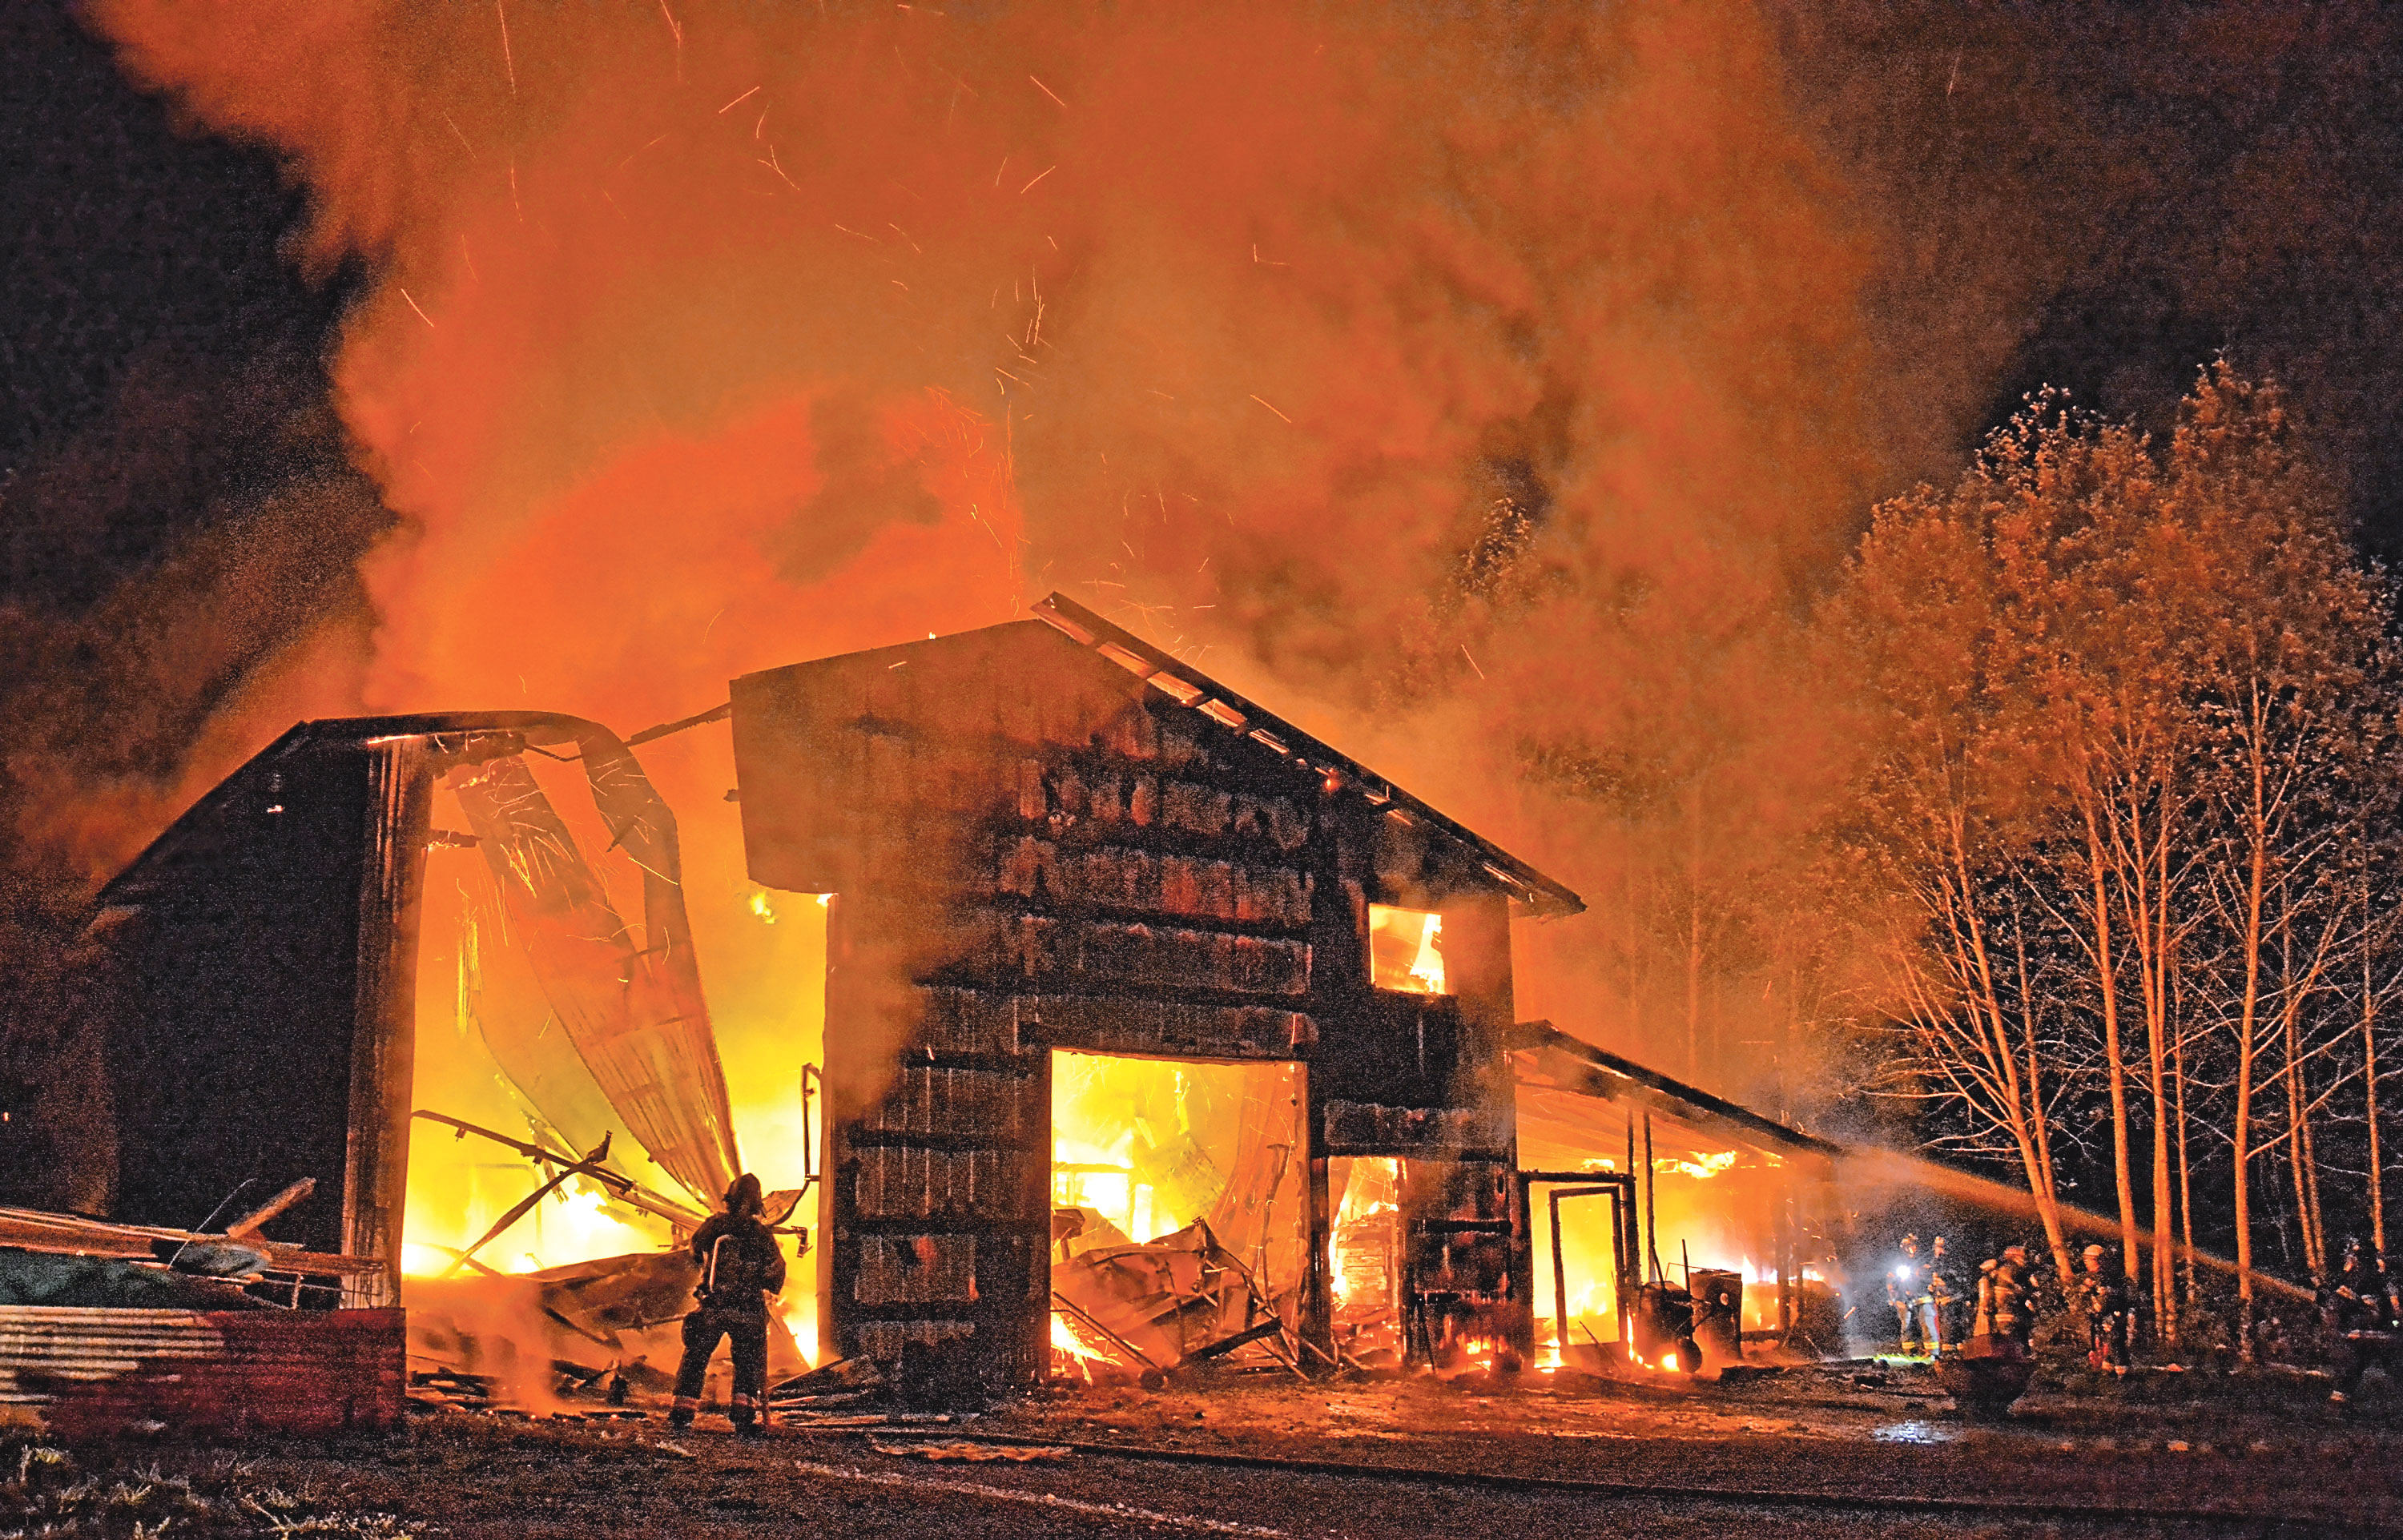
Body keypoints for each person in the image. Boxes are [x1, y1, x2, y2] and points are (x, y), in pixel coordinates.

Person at [670, 1173, 787, 1437]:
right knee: (747, 1360)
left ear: (729, 1199)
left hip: (715, 1305)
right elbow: (776, 1272)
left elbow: (694, 1251)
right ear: (758, 1204)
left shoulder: (714, 1225)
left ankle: (683, 1411)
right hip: (748, 1310)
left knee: (696, 1356)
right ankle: (743, 1414)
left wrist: (711, 1272)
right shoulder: (761, 1234)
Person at [2322, 1236, 2398, 1405]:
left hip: (2361, 1335)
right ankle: (2339, 1404)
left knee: (2352, 1371)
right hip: (2366, 1335)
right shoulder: (2379, 1280)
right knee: (2354, 1371)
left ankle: (2339, 1404)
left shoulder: (2359, 1281)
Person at [2078, 1244, 2132, 1377]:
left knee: (2116, 1342)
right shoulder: (2089, 1277)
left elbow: (2124, 1295)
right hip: (2097, 1318)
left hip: (2113, 1316)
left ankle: (2122, 1373)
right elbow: (2084, 1298)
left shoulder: (2113, 1275)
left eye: (2089, 1259)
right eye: (2085, 1259)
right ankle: (2105, 1372)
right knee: (2100, 1345)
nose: (2086, 1263)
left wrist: (2107, 1293)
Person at [1886, 1233, 1925, 1354]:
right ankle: (1908, 1350)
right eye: (1911, 1245)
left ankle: (1925, 1346)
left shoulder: (1918, 1261)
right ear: (1904, 1247)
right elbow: (1891, 1282)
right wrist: (1894, 1298)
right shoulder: (1898, 1263)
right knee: (1907, 1323)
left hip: (1918, 1296)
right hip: (1903, 1298)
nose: (1914, 1248)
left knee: (1924, 1322)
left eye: (1914, 1245)